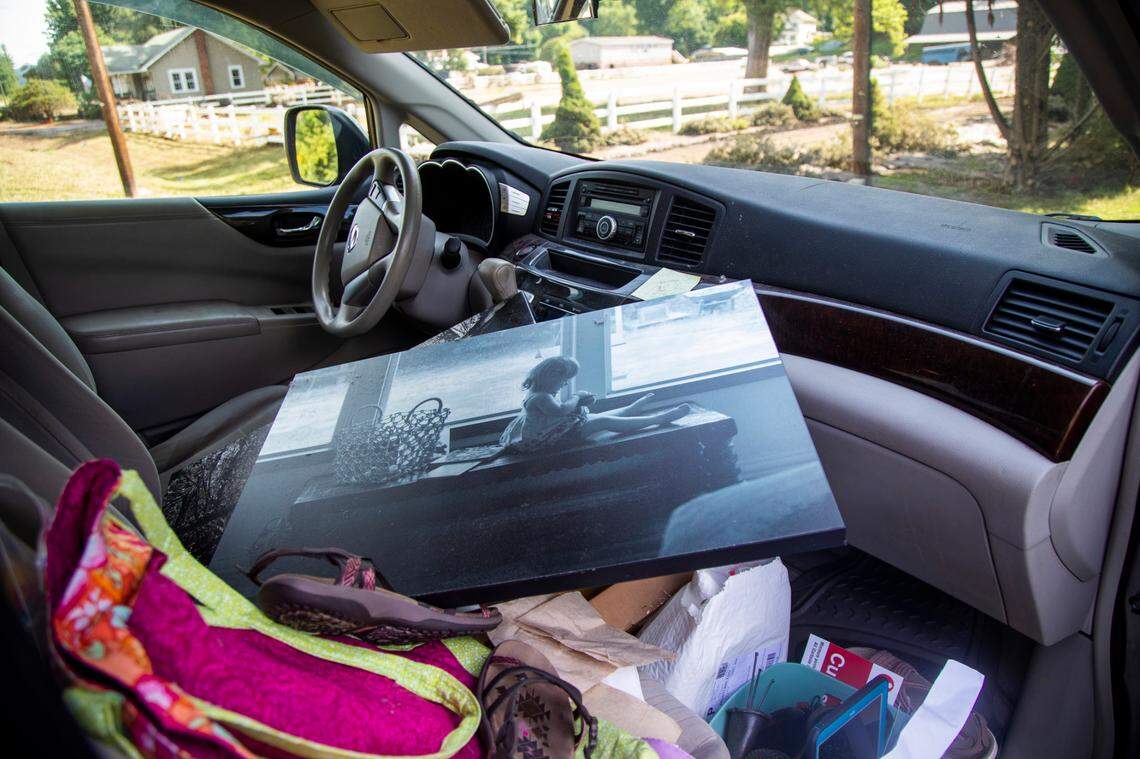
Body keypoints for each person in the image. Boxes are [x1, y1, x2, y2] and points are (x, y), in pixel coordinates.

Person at [499, 356, 691, 452]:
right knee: (603, 421)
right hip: (555, 440)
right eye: (563, 380)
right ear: (550, 376)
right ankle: (658, 419)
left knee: (594, 417)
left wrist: (581, 402)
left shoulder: (539, 391)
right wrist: (576, 397)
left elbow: (561, 413)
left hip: (555, 432)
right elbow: (561, 410)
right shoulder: (541, 397)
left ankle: (630, 409)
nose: (564, 384)